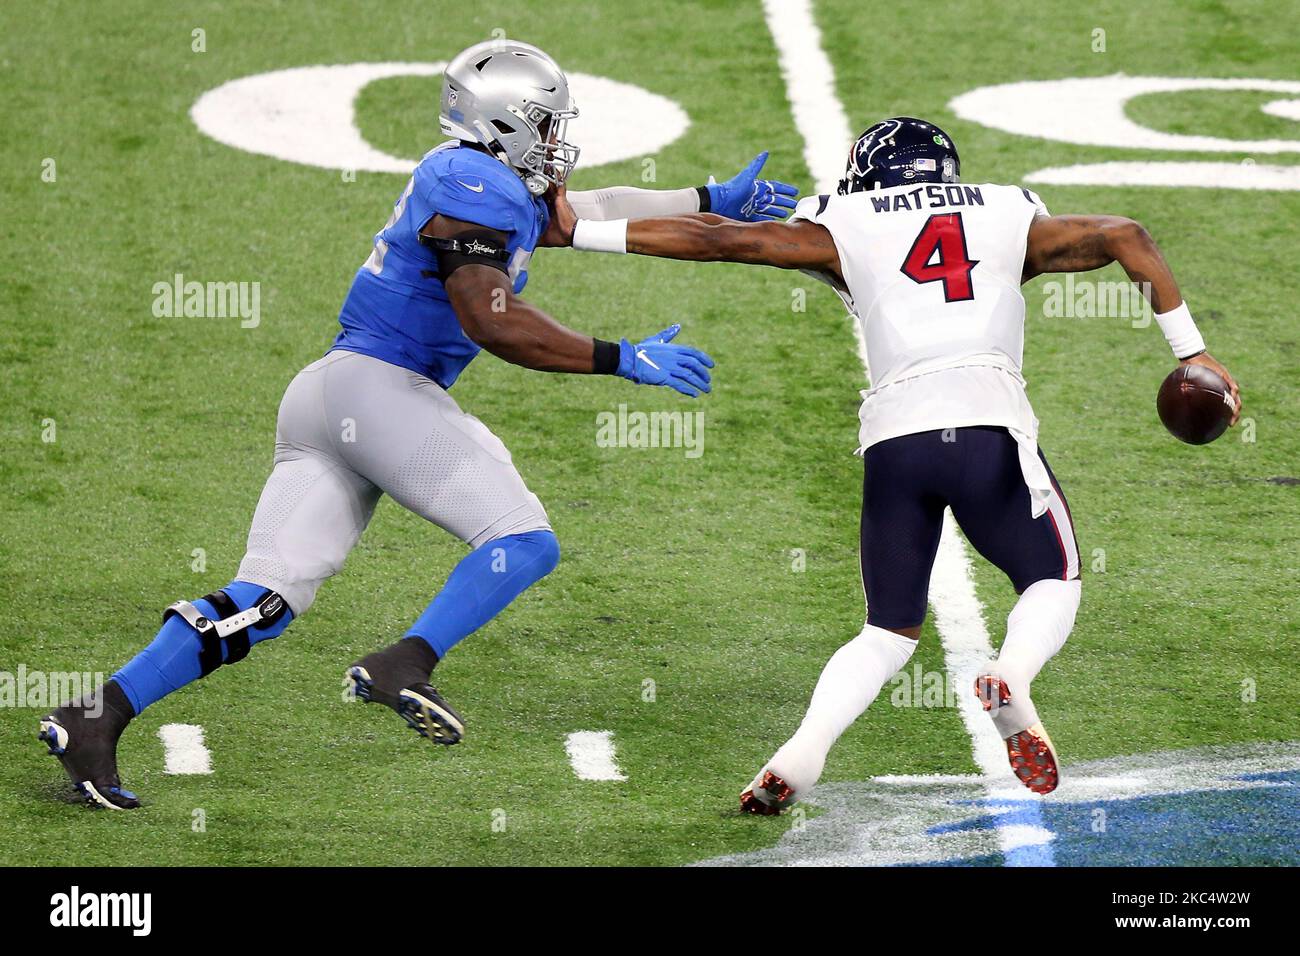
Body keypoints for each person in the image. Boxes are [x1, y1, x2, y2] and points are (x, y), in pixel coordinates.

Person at [39, 38, 798, 810]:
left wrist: (703, 199)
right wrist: (618, 358)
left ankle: (93, 718)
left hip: (332, 396)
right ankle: (406, 661)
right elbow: (491, 317)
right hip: (379, 389)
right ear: (502, 119)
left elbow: (585, 215)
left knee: (264, 602)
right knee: (523, 540)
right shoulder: (470, 180)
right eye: (543, 121)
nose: (555, 139)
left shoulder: (486, 183)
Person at [551, 115, 1241, 812]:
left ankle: (803, 751)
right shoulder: (1005, 208)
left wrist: (578, 229)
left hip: (895, 438)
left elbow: (719, 241)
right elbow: (1126, 234)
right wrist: (1192, 354)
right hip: (986, 422)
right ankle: (1012, 673)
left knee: (887, 629)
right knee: (1053, 577)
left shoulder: (843, 219)